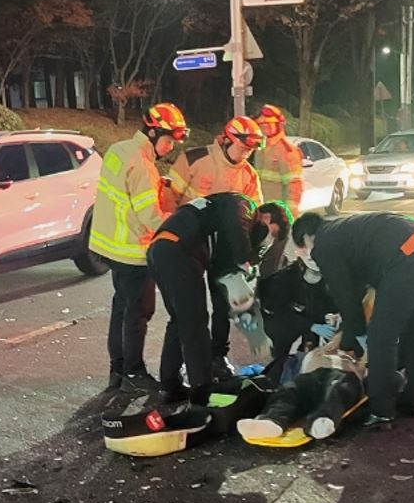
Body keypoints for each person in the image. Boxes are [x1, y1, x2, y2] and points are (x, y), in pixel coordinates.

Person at [291, 211, 414, 428]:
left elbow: (346, 298)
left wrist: (355, 338)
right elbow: (356, 291)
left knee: (380, 336)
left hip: (406, 256)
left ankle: (382, 411)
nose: (307, 254)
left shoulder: (324, 244)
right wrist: (351, 333)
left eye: (302, 247)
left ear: (307, 237)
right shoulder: (343, 232)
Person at [147, 193, 291, 404]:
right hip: (178, 251)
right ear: (267, 217)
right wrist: (245, 260)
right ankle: (203, 389)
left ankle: (170, 386)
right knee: (195, 322)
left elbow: (221, 274)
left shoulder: (221, 224)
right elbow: (237, 231)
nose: (265, 240)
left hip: (162, 250)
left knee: (180, 320)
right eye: (271, 232)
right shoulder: (243, 206)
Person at [90, 102, 188, 394]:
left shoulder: (118, 150)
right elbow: (151, 216)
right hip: (132, 249)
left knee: (121, 307)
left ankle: (118, 370)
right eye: (168, 140)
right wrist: (179, 225)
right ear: (153, 132)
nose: (170, 147)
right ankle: (134, 372)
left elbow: (124, 195)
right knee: (139, 312)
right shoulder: (143, 166)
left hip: (110, 246)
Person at [165, 116, 266, 380]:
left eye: (251, 150)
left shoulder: (248, 175)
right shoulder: (194, 160)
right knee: (190, 308)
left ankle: (218, 356)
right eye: (243, 147)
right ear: (227, 139)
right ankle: (187, 362)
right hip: (190, 242)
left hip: (224, 249)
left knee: (222, 307)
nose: (246, 153)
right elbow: (168, 198)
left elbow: (253, 215)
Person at [253, 105, 304, 275]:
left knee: (271, 263)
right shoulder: (261, 148)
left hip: (277, 218)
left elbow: (294, 187)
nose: (264, 128)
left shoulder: (286, 151)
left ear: (279, 125)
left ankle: (275, 287)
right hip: (261, 215)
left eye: (269, 125)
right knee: (264, 260)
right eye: (262, 125)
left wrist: (286, 218)